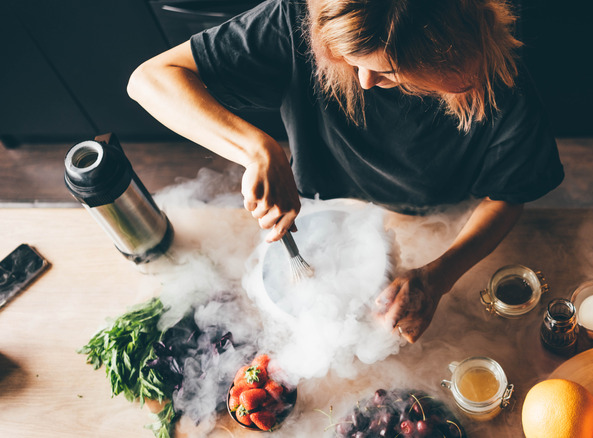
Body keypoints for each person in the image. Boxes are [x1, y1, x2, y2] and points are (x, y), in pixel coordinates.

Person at [127, 0, 564, 343]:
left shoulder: (498, 79)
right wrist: (256, 149)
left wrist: (440, 275)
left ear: (445, 57)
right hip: (321, 197)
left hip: (440, 212)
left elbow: (510, 192)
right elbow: (150, 79)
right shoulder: (298, 18)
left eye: (387, 70)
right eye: (349, 60)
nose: (364, 82)